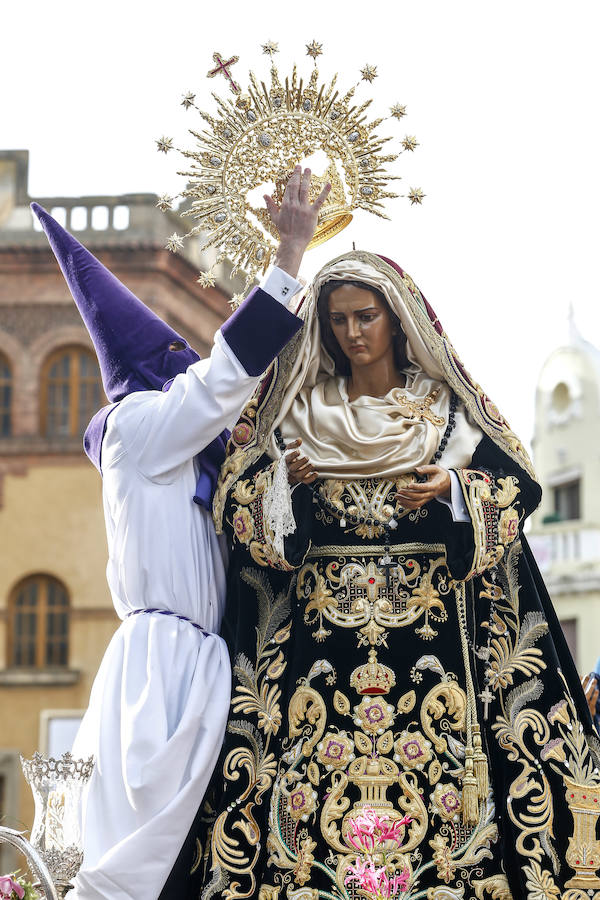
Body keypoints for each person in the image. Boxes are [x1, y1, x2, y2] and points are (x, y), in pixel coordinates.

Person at [171, 229, 600, 900]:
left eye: (365, 316)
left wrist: (457, 493)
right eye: (337, 319)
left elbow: (518, 488)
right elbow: (238, 510)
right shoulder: (293, 416)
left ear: (397, 319)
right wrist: (284, 488)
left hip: (441, 665)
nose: (351, 334)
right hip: (317, 667)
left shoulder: (449, 414)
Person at [31, 167, 329, 900]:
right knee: (137, 868)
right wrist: (287, 259)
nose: (195, 389)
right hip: (161, 677)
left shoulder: (182, 459)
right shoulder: (139, 429)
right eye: (181, 374)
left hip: (192, 663)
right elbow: (221, 383)